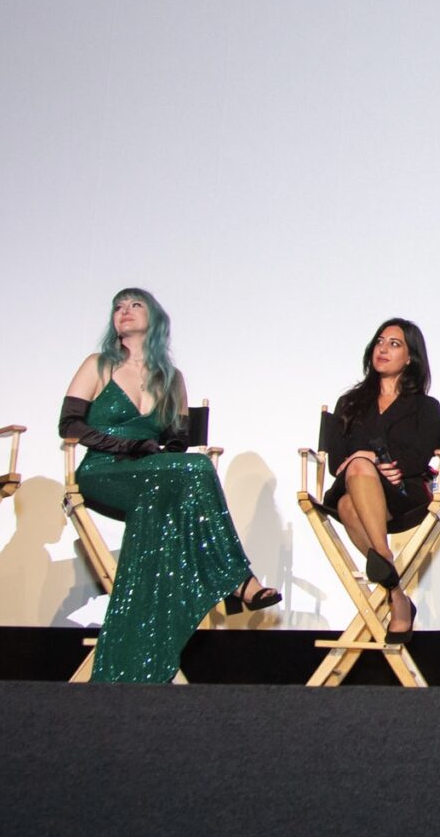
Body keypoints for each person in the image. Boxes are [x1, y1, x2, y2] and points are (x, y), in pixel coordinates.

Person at [59, 288, 278, 684]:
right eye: (118, 306)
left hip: (152, 476)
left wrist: (155, 456)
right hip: (103, 470)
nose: (125, 311)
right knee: (197, 467)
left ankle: (149, 648)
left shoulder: (172, 379)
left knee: (188, 476)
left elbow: (176, 442)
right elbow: (69, 425)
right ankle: (236, 578)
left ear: (155, 319)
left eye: (135, 305)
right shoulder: (98, 365)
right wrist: (128, 446)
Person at [322, 317, 440, 641]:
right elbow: (337, 461)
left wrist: (374, 460)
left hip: (402, 492)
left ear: (410, 357)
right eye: (379, 341)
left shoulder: (426, 406)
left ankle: (387, 575)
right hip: (353, 486)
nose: (383, 349)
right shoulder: (349, 403)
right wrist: (367, 462)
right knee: (351, 490)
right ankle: (395, 587)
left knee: (352, 495)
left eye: (394, 344)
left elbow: (418, 456)